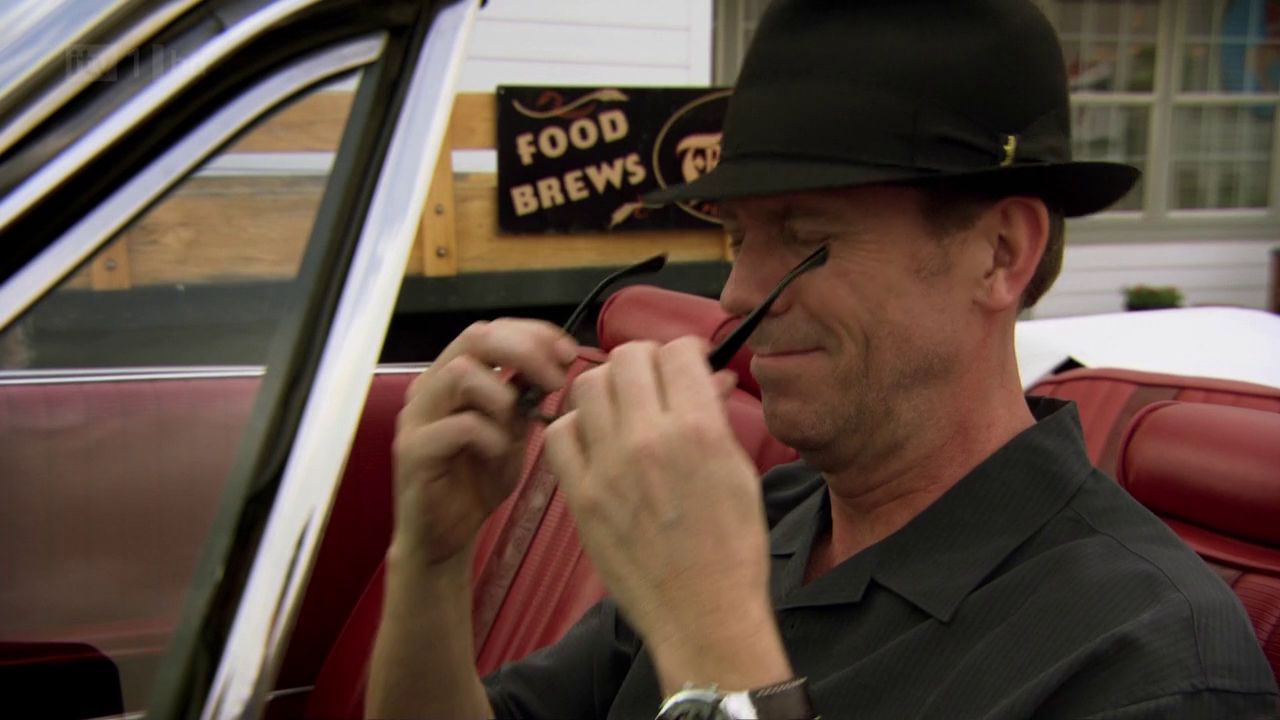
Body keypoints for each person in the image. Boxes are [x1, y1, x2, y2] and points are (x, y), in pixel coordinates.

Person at [366, 1, 1279, 718]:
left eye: (805, 236)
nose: (737, 295)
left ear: (1000, 253)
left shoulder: (1151, 658)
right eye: (738, 239)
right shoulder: (762, 522)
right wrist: (432, 559)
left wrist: (711, 636)